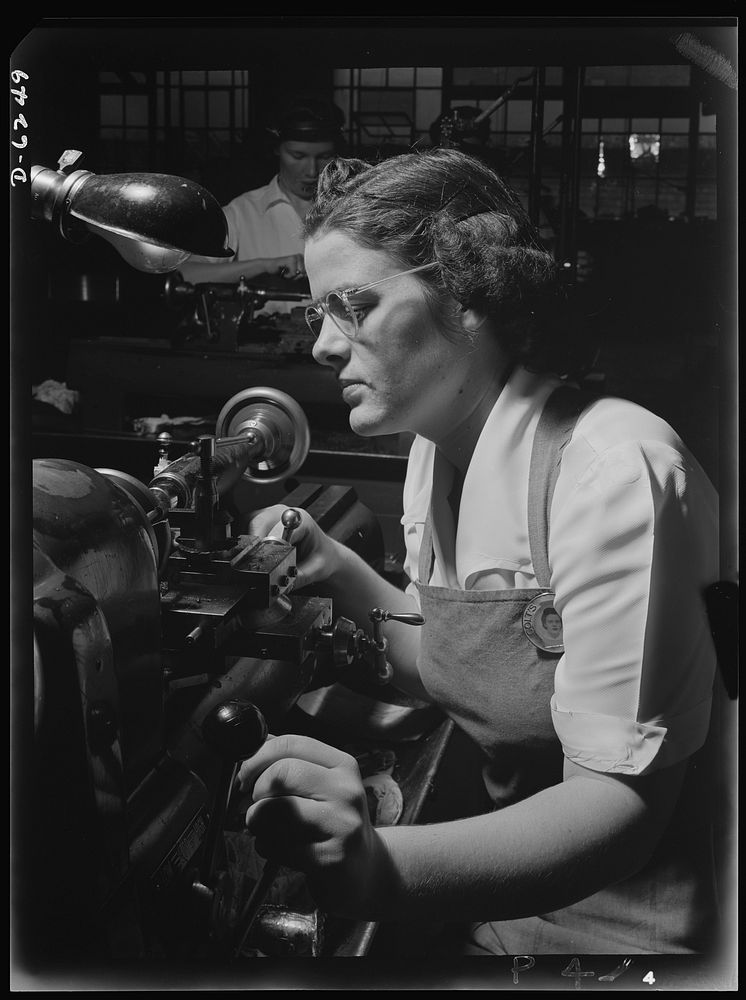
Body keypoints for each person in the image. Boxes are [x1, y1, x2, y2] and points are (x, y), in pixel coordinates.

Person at [236, 147, 724, 956]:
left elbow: (619, 814)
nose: (322, 346)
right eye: (317, 310)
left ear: (469, 298)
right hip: (508, 916)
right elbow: (459, 661)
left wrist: (373, 866)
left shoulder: (614, 473)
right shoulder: (439, 441)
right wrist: (333, 566)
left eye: (351, 305)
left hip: (633, 945)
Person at [178, 96, 345, 308]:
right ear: (277, 149)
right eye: (297, 156)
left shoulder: (352, 210)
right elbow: (186, 274)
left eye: (324, 157)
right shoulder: (242, 212)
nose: (312, 171)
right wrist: (264, 266)